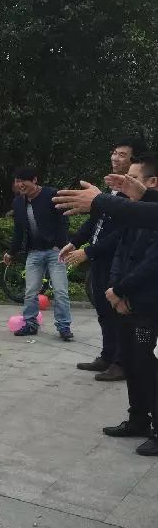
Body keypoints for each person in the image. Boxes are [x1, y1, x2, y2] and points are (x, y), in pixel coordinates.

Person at [61, 137, 148, 382]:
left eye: (121, 154)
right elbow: (95, 221)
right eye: (114, 153)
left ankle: (122, 363)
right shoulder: (111, 188)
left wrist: (87, 252)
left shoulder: (135, 195)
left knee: (119, 312)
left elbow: (121, 232)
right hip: (101, 260)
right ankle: (108, 355)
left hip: (118, 261)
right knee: (103, 310)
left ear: (134, 161)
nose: (114, 158)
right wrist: (74, 242)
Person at [99, 154, 158, 455]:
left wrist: (123, 292)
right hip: (122, 302)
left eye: (131, 179)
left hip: (145, 307)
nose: (125, 185)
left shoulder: (153, 219)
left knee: (150, 366)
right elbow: (120, 255)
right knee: (133, 365)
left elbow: (151, 265)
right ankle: (137, 419)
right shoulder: (131, 217)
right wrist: (114, 291)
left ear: (151, 183)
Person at [2, 167, 73, 340]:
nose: (20, 185)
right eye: (17, 182)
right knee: (30, 291)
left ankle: (64, 327)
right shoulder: (19, 202)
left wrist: (61, 245)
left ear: (34, 180)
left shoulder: (52, 195)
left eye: (23, 181)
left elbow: (64, 221)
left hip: (55, 251)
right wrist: (11, 253)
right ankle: (30, 324)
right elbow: (18, 231)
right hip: (34, 252)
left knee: (60, 290)